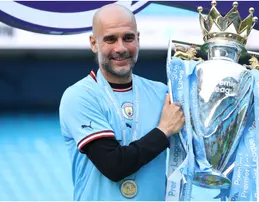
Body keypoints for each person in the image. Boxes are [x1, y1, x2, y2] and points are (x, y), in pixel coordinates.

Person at [59, 3, 185, 201]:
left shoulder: (162, 94)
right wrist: (163, 131)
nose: (121, 48)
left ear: (138, 39)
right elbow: (114, 165)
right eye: (110, 39)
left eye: (128, 38)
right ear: (94, 43)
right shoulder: (80, 96)